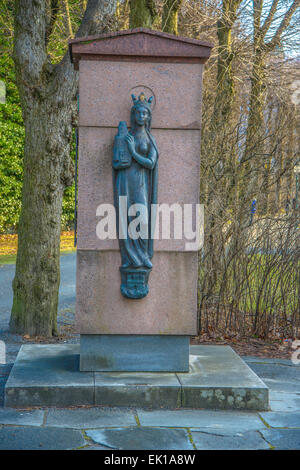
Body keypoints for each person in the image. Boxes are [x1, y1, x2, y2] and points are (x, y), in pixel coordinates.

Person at [112, 92, 159, 270]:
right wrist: (122, 157)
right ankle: (129, 257)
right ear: (134, 115)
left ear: (148, 116)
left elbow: (151, 163)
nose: (141, 116)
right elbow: (116, 162)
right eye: (138, 113)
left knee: (142, 218)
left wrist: (133, 152)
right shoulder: (125, 136)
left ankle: (143, 254)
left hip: (141, 183)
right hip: (124, 180)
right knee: (125, 217)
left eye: (145, 113)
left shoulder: (150, 140)